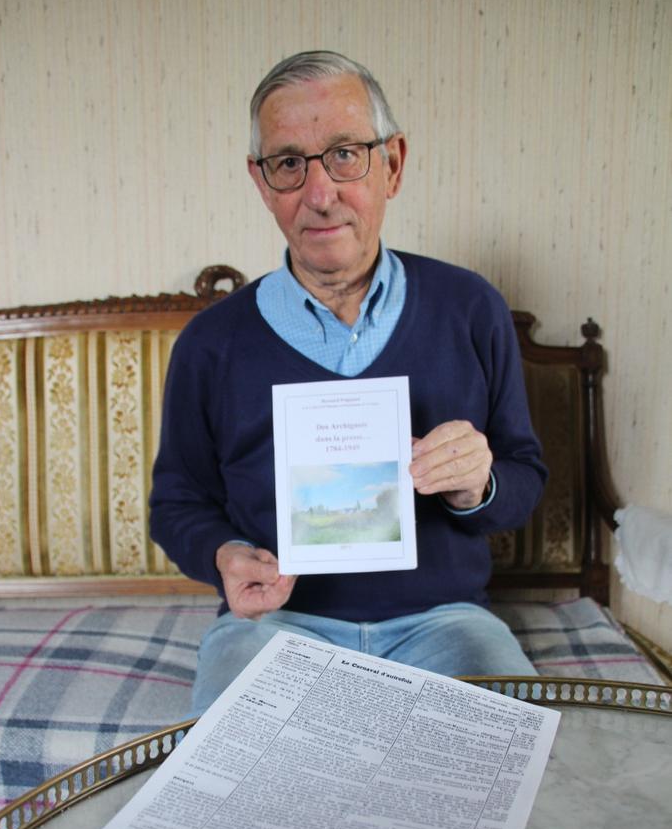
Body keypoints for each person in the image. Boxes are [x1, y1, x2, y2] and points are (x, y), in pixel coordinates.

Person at [150, 50, 547, 715]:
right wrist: (224, 554)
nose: (319, 192)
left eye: (344, 155)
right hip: (272, 628)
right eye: (288, 163)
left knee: (521, 769)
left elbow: (523, 481)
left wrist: (478, 483)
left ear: (392, 163)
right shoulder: (210, 343)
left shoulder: (470, 308)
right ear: (260, 180)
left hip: (445, 624)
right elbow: (176, 503)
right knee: (230, 791)